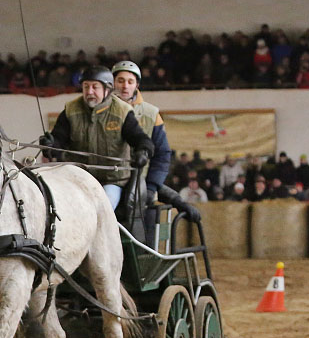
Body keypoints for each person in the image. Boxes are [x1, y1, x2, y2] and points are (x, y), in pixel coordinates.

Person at [39, 66, 157, 216]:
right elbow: (58, 141)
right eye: (86, 87)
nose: (89, 92)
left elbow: (141, 139)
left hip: (112, 181)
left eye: (95, 87)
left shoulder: (122, 111)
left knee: (101, 210)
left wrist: (143, 152)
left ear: (107, 89)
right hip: (77, 179)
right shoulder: (70, 110)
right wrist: (49, 145)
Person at [110, 60, 196, 242]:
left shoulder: (151, 114)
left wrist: (150, 188)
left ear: (137, 85)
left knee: (144, 246)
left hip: (143, 188)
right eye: (120, 80)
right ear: (112, 83)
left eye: (130, 81)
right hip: (110, 182)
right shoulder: (102, 112)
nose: (125, 86)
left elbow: (162, 154)